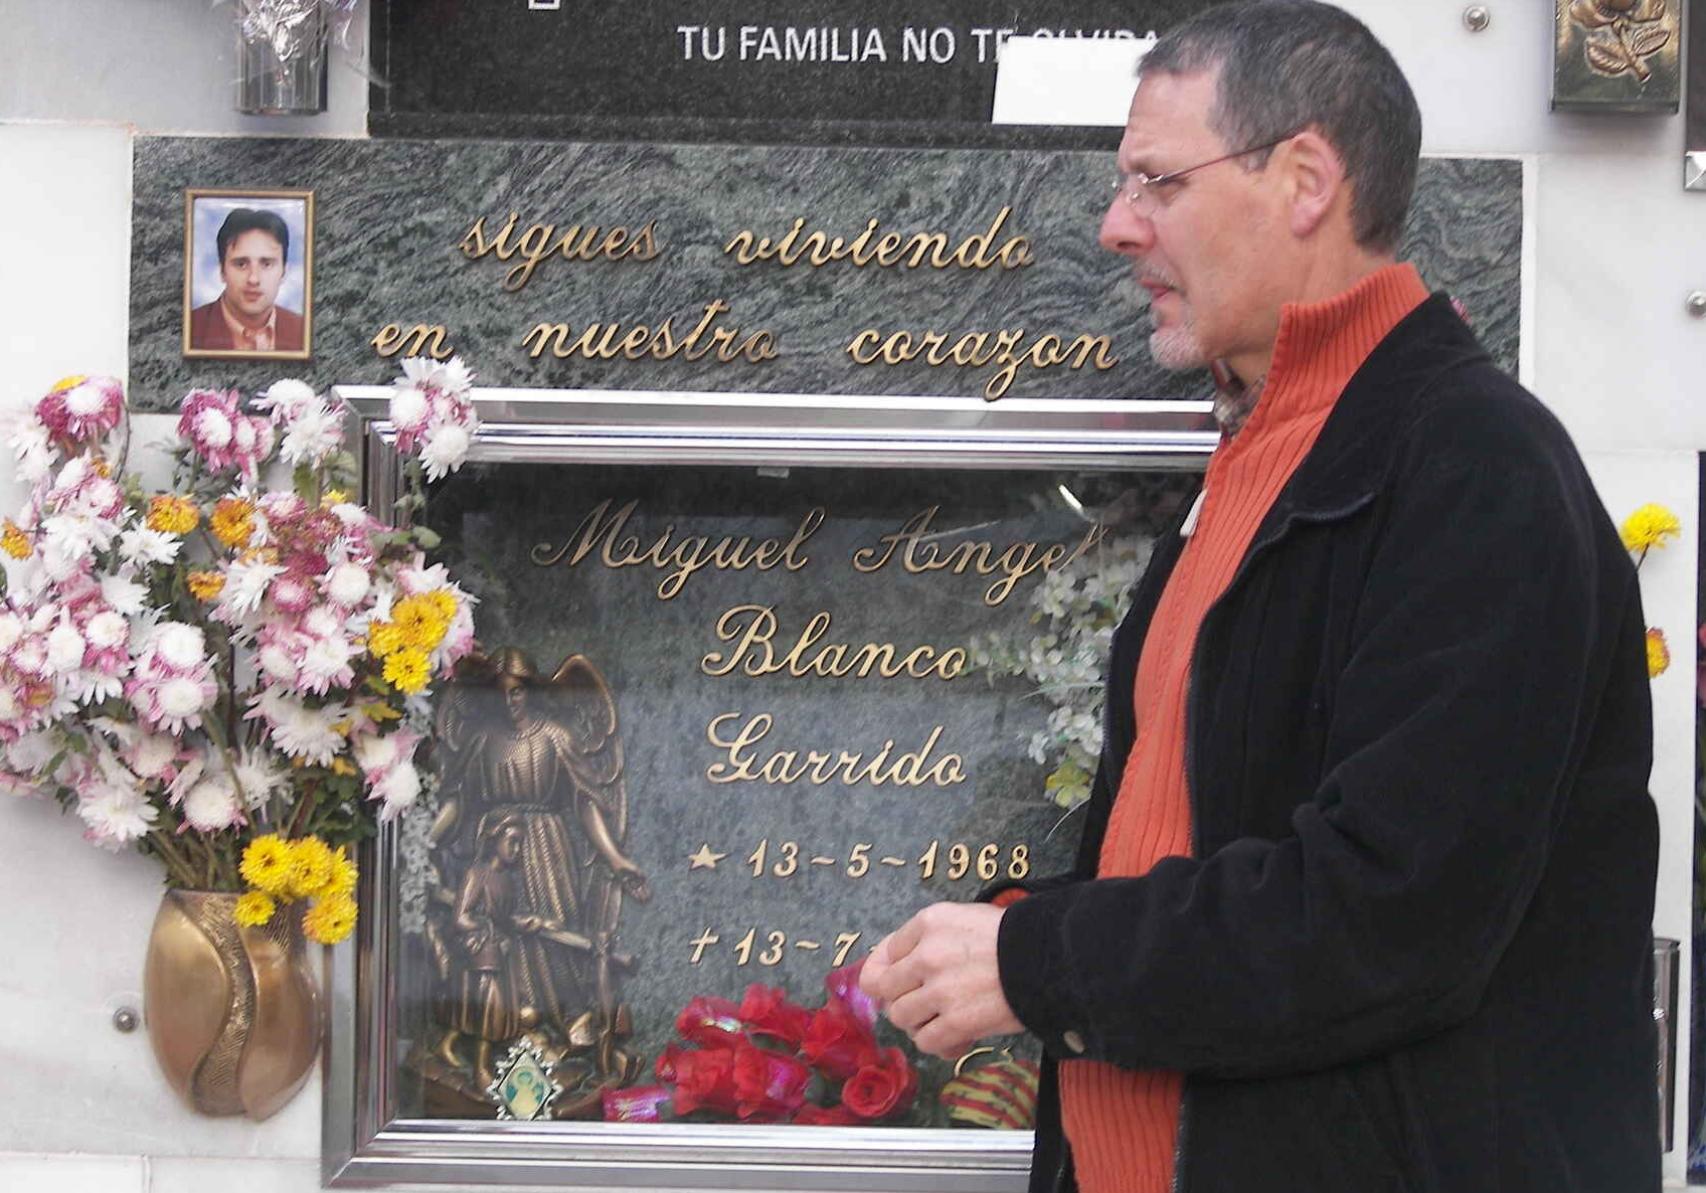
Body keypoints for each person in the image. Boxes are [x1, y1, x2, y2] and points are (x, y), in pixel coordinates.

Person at [860, 4, 1661, 1191]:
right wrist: (1017, 932)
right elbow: (1218, 837)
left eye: (1155, 181)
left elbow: (1389, 914)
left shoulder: (1474, 467)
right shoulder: (1262, 456)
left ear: (1302, 181)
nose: (1115, 225)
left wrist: (1038, 958)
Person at [188, 207, 305, 353]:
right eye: (241, 264)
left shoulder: (303, 331)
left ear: (283, 272)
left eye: (266, 264)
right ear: (222, 270)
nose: (253, 279)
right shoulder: (190, 329)